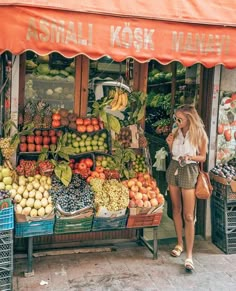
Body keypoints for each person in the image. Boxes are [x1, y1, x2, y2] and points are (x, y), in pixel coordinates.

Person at [165, 104, 208, 271]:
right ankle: (179, 243)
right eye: (176, 118)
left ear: (189, 118)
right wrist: (169, 145)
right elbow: (173, 153)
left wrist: (191, 156)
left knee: (189, 215)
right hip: (174, 167)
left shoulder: (199, 134)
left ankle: (189, 255)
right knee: (175, 209)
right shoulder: (176, 131)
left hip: (189, 169)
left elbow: (203, 157)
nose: (176, 121)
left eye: (179, 118)